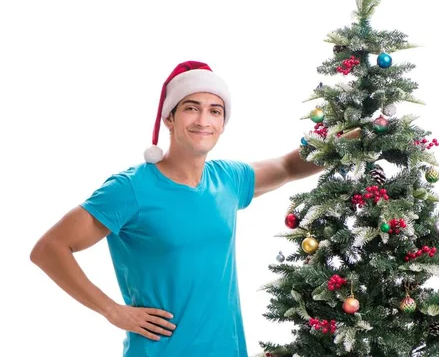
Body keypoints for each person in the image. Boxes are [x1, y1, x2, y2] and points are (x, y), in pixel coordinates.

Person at [30, 60, 325, 357]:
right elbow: (49, 248)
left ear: (223, 124)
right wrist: (112, 311)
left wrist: (364, 136)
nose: (203, 120)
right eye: (191, 108)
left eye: (215, 111)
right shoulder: (131, 188)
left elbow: (288, 166)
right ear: (169, 118)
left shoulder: (228, 179)